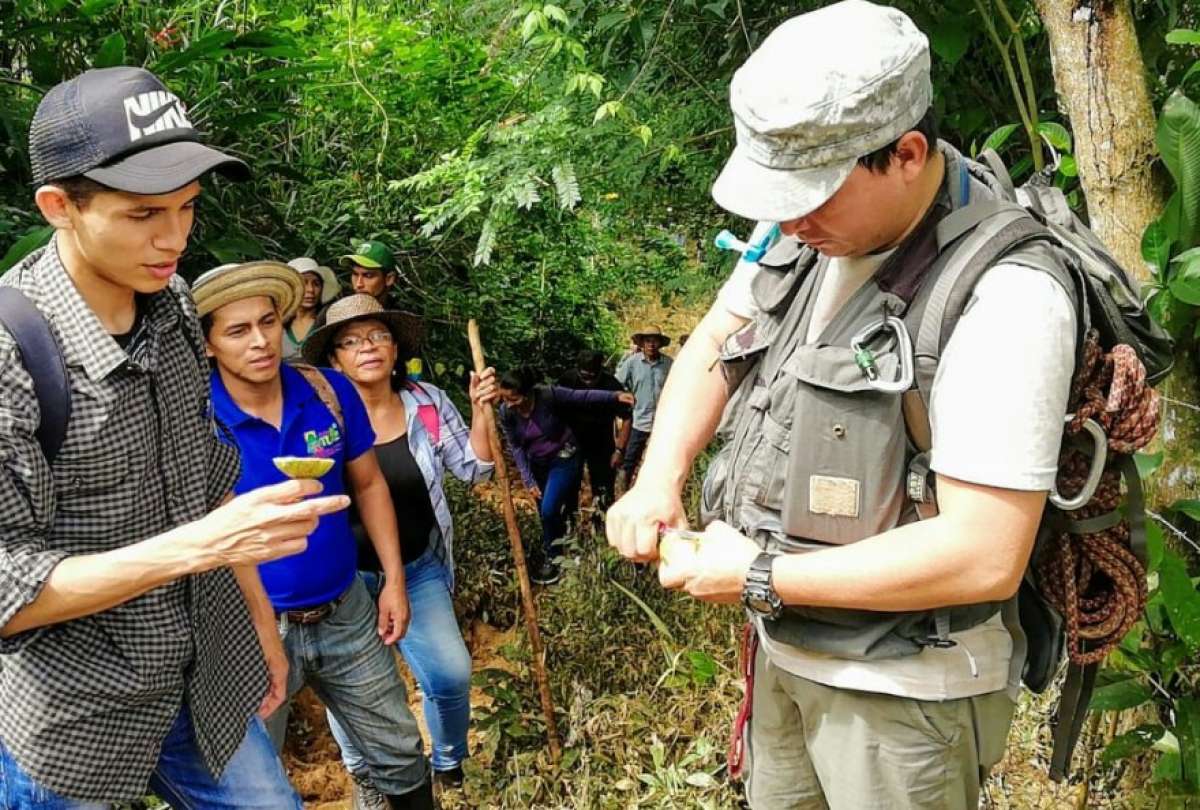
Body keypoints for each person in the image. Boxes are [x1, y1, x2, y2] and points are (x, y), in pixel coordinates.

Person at [607, 3, 1077, 808]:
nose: (790, 217)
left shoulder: (1007, 298)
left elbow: (983, 553)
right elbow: (718, 341)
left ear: (906, 154)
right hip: (786, 658)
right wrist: (659, 479)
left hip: (902, 695)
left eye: (813, 194)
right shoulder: (802, 231)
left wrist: (758, 574)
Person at [0, 67, 352, 808]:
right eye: (143, 214)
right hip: (74, 717)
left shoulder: (175, 305)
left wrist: (259, 619)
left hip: (202, 679)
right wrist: (202, 547)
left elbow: (204, 476)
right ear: (59, 206)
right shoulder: (14, 351)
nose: (174, 238)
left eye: (189, 208)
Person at [196, 264, 435, 809]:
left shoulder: (326, 391)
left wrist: (393, 580)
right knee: (251, 779)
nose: (259, 342)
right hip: (246, 632)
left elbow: (369, 482)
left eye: (268, 322)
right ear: (208, 345)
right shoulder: (198, 418)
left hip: (345, 611)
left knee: (399, 750)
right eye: (236, 331)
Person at [300, 294, 498, 805]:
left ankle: (449, 762)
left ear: (395, 348)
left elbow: (476, 469)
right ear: (334, 359)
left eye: (377, 336)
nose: (367, 348)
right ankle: (364, 772)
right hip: (343, 581)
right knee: (351, 687)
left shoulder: (427, 403)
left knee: (451, 673)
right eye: (350, 341)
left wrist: (480, 412)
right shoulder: (317, 416)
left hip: (417, 567)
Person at [498, 369, 634, 584]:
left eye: (513, 398)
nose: (508, 403)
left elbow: (581, 397)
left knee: (550, 508)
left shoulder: (547, 395)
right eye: (504, 398)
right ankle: (563, 546)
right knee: (547, 512)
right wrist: (528, 479)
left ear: (528, 393)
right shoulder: (507, 412)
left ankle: (553, 560)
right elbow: (515, 447)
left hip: (564, 458)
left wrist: (614, 396)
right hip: (537, 465)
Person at [557, 349, 631, 510]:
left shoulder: (611, 385)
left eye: (592, 377)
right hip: (571, 441)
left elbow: (626, 418)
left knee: (603, 490)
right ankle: (570, 526)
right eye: (584, 376)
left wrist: (619, 450)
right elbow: (553, 409)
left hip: (601, 443)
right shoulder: (567, 380)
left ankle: (602, 525)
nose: (588, 381)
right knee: (568, 488)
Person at [615, 326, 674, 486]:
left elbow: (677, 387)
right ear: (642, 343)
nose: (651, 345)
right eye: (648, 341)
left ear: (660, 344)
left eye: (654, 341)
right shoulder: (632, 363)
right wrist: (625, 397)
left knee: (662, 462)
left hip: (662, 423)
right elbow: (617, 383)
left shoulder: (668, 364)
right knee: (629, 460)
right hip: (638, 420)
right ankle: (623, 493)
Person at [282, 256, 340, 359]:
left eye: (316, 284)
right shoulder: (278, 324)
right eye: (304, 283)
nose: (311, 290)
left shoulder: (329, 323)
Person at [341, 239, 399, 306]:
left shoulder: (402, 315)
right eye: (355, 274)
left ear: (389, 279)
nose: (358, 284)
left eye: (368, 276)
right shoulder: (340, 312)